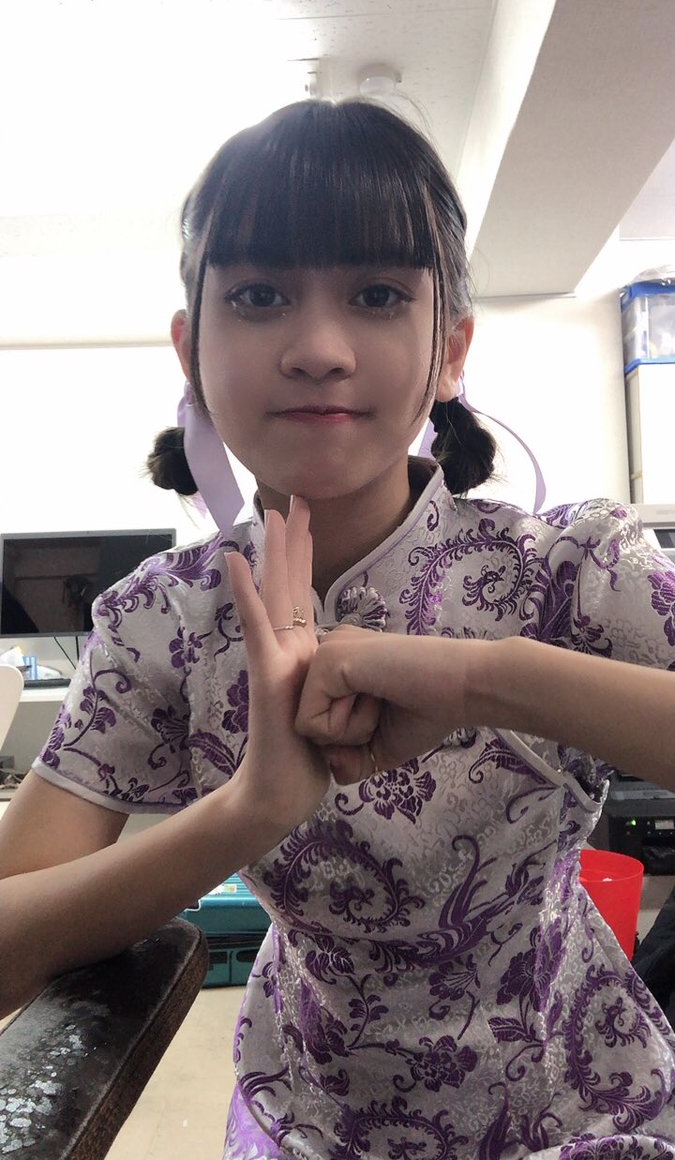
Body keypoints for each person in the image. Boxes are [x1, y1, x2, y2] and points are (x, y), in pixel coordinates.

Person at [1, 98, 675, 1160]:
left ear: (450, 350)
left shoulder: (570, 572)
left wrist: (492, 679)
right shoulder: (157, 623)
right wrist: (247, 810)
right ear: (191, 348)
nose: (318, 349)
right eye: (259, 296)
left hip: (583, 1112)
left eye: (376, 295)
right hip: (309, 1123)